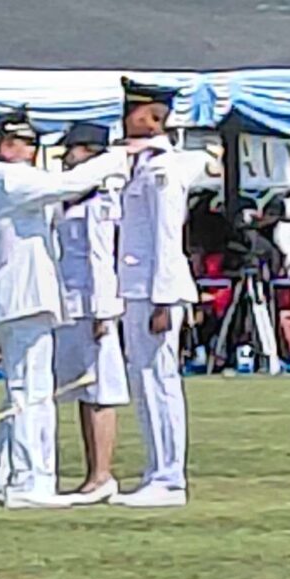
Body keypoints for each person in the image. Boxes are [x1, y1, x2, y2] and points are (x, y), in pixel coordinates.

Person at [0, 110, 132, 509]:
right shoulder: (8, 178)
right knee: (32, 392)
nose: (34, 151)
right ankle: (29, 482)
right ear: (8, 145)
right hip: (23, 298)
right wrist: (117, 157)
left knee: (22, 391)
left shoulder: (0, 180)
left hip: (21, 297)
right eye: (28, 144)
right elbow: (68, 184)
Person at [113, 82, 220, 505]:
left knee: (159, 381)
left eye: (134, 111)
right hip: (138, 287)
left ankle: (169, 477)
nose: (126, 118)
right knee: (145, 381)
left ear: (152, 117)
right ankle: (157, 470)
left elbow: (165, 237)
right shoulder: (141, 164)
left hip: (155, 288)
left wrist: (162, 298)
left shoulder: (162, 169)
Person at [50, 123, 127, 499]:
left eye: (73, 150)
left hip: (91, 304)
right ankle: (92, 474)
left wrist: (103, 311)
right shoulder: (71, 199)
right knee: (82, 391)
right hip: (70, 302)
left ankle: (102, 474)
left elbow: (101, 259)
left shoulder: (99, 201)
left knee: (100, 390)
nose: (66, 157)